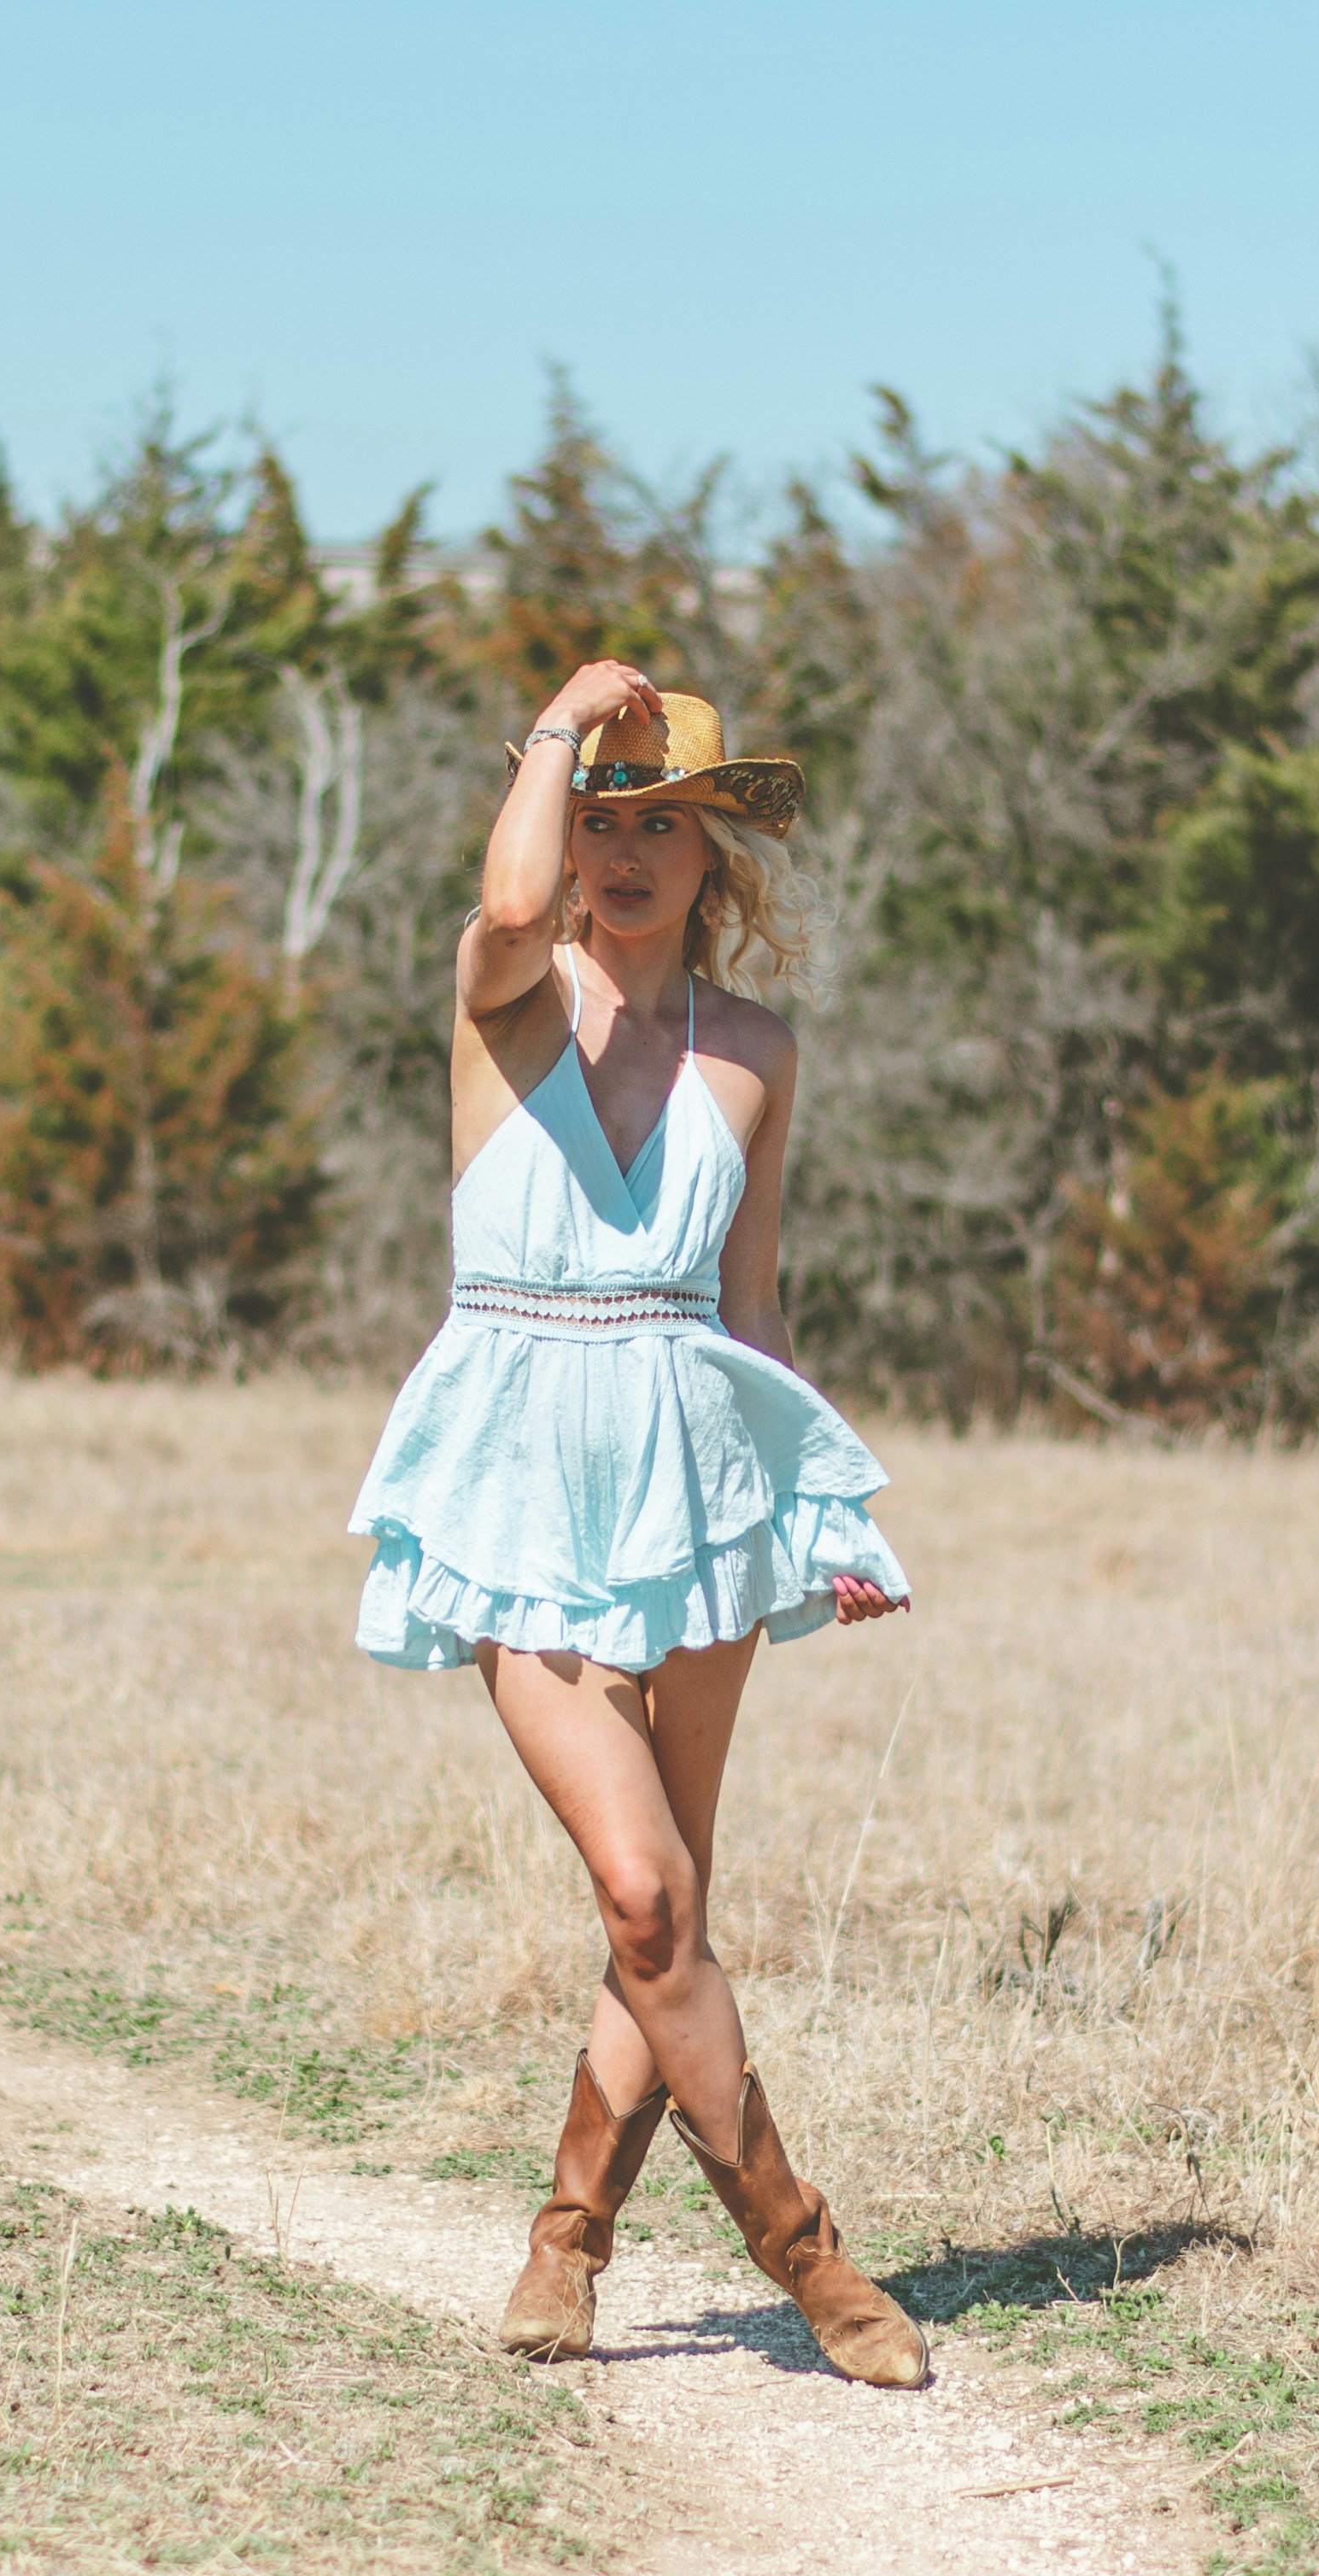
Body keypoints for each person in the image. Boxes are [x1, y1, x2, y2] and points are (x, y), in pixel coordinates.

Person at [347, 659, 930, 2391]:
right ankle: (805, 2252)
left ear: (711, 857)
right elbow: (510, 897)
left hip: (693, 1481)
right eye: (597, 816)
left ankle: (566, 2238)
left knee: (661, 1907)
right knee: (636, 1881)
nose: (617, 851)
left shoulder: (753, 1056)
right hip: (515, 1481)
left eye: (657, 821)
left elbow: (747, 1310)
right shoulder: (503, 1001)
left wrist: (818, 1504)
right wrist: (553, 725)